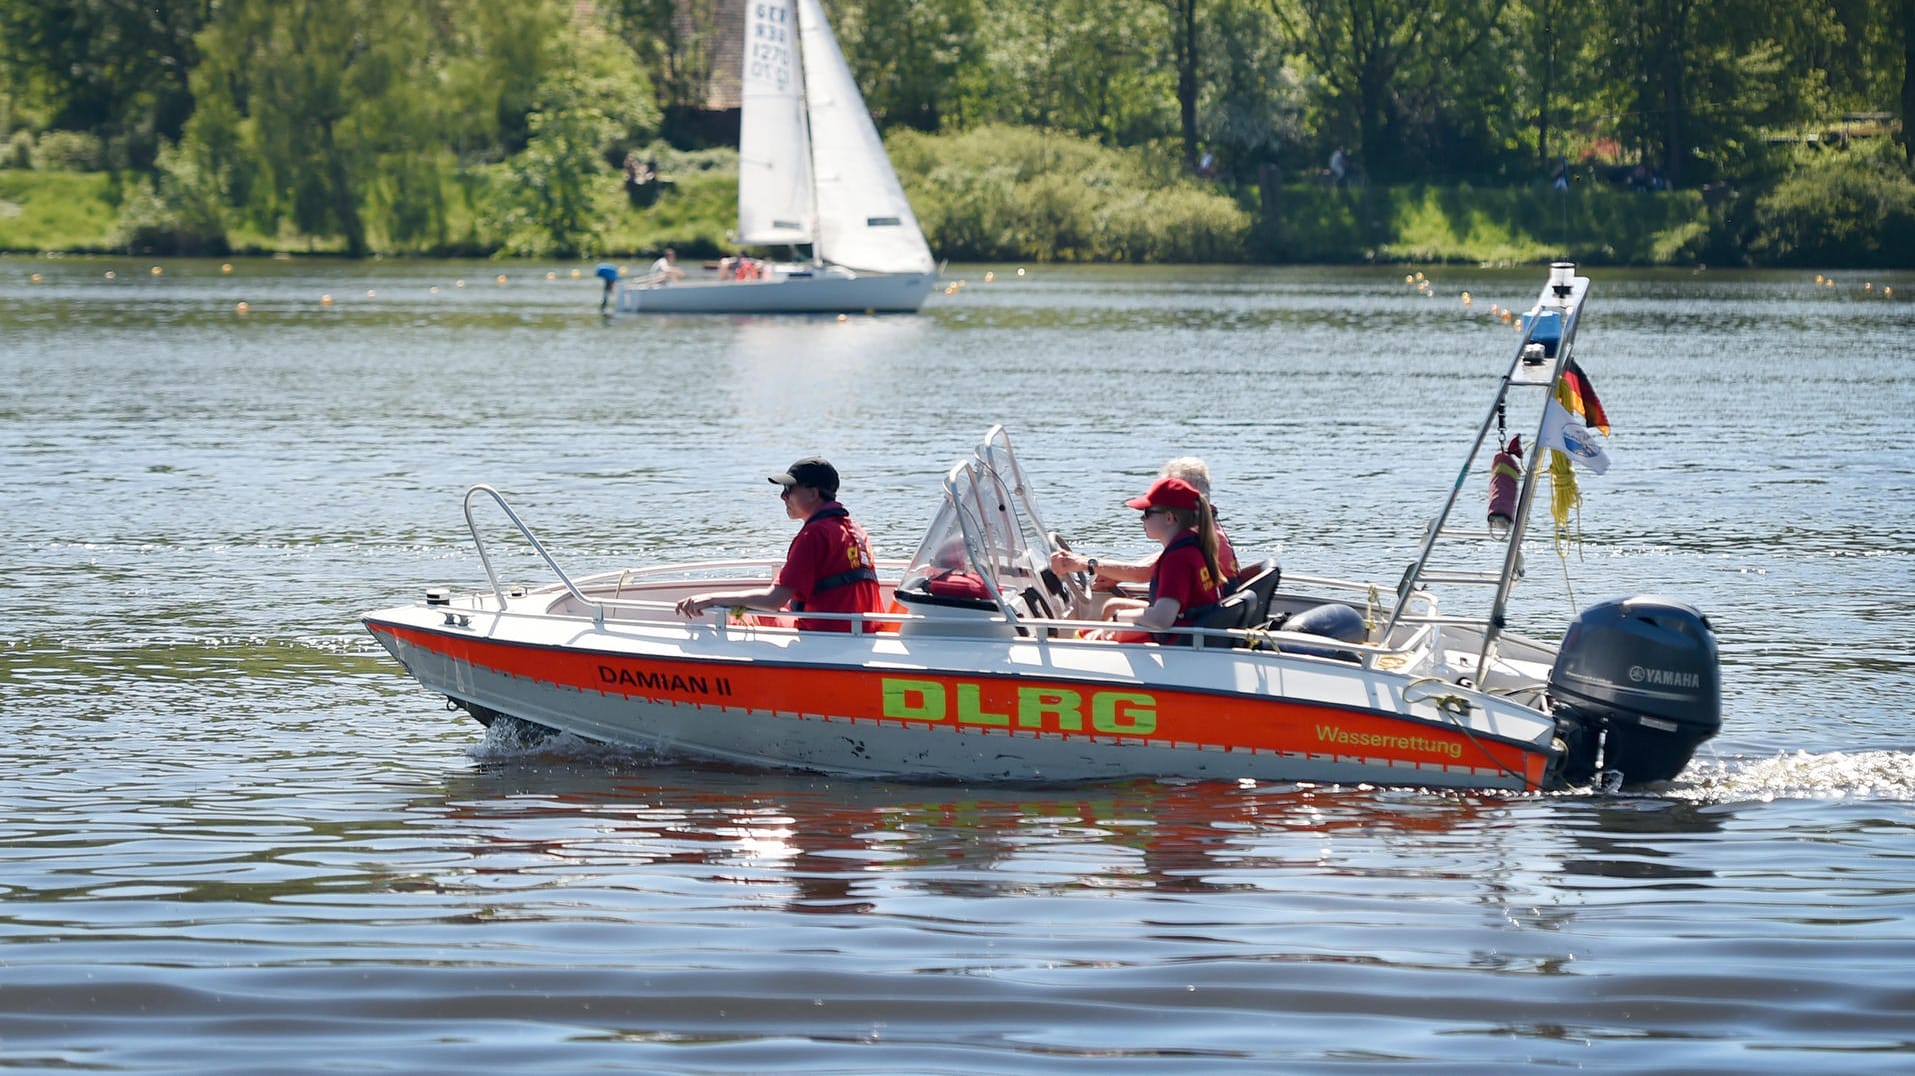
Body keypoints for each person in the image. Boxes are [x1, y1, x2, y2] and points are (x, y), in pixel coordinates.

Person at [675, 457, 882, 633]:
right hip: (864, 632)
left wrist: (711, 598)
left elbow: (773, 600)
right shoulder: (855, 530)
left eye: (789, 489)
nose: (783, 496)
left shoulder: (813, 535)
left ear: (813, 493)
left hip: (825, 636)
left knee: (740, 613)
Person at [1051, 457, 1239, 598]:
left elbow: (1143, 573)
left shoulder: (1198, 538)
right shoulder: (1206, 529)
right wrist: (1115, 575)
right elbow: (1156, 562)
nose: (1143, 517)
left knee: (1112, 613)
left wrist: (1084, 563)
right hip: (1204, 614)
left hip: (1194, 631)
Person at [1086, 476, 1226, 644]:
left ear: (1169, 518)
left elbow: (1161, 620)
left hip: (1178, 646)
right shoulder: (1194, 547)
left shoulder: (1177, 559)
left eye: (1147, 513)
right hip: (1190, 637)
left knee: (1099, 636)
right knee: (1102, 629)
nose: (1142, 519)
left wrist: (1118, 617)